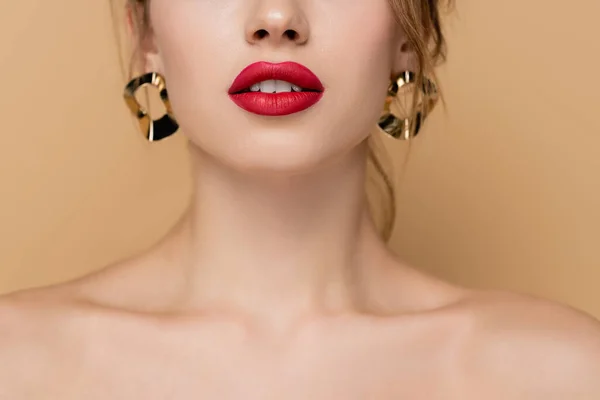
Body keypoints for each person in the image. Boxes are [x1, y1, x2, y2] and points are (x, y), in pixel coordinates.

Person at [1, 0, 599, 398]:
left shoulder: (562, 374)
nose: (277, 18)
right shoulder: (16, 364)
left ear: (410, 33)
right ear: (147, 31)